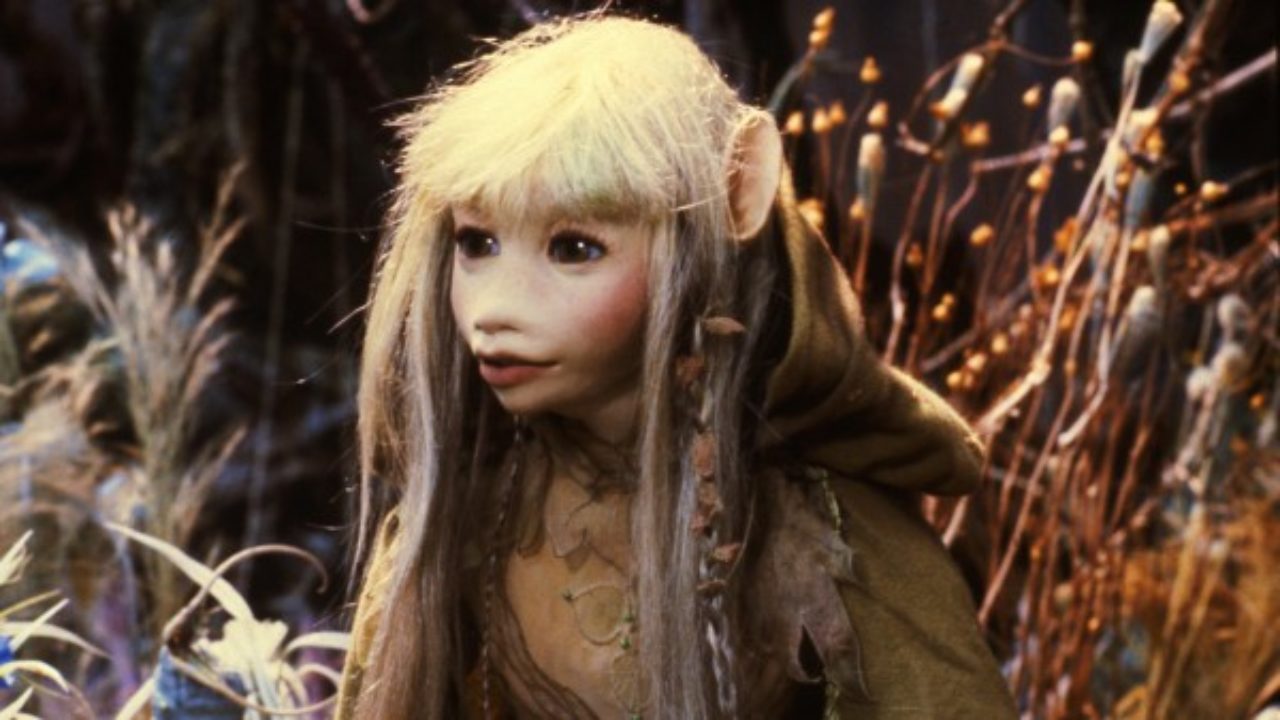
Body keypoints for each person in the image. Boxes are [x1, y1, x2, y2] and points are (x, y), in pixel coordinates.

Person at [336, 14, 1015, 719]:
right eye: (477, 243)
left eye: (574, 249)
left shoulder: (826, 530)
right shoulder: (466, 528)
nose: (494, 308)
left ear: (735, 198)